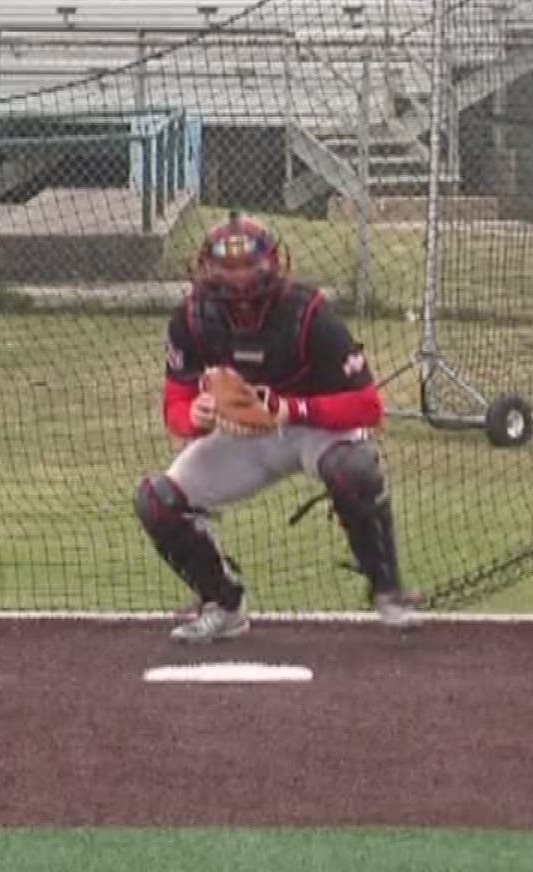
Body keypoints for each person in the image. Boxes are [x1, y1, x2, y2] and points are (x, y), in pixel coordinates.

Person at [134, 212, 422, 643]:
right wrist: (195, 417)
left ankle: (388, 588)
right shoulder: (192, 318)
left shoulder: (308, 313)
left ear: (272, 263)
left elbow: (368, 406)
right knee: (157, 501)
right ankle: (224, 605)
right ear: (205, 267)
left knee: (353, 472)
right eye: (226, 267)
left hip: (313, 427)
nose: (238, 277)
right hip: (246, 436)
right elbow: (175, 404)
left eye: (249, 265)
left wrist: (292, 410)